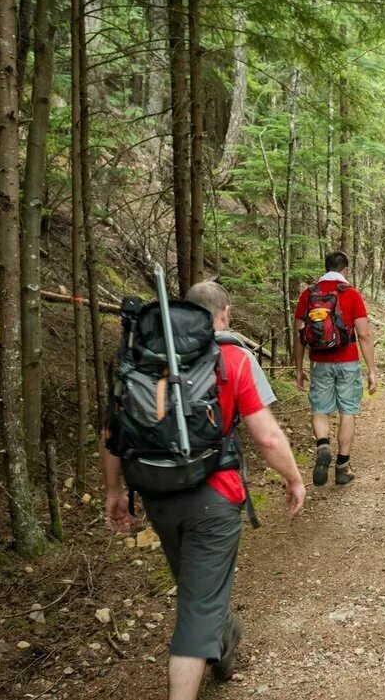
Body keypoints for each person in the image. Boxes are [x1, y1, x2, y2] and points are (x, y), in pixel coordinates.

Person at [101, 280, 306, 700]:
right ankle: (202, 653)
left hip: (156, 493)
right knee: (196, 611)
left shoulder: (139, 357)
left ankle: (222, 637)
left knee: (197, 588)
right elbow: (266, 437)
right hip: (215, 497)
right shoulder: (232, 357)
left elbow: (113, 433)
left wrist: (114, 491)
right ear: (224, 313)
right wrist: (293, 477)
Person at [293, 251, 378, 486]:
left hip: (319, 362)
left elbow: (299, 335)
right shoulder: (351, 294)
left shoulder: (308, 295)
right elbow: (363, 333)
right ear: (345, 270)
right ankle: (342, 467)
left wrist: (298, 367)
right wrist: (371, 368)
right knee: (347, 411)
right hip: (348, 360)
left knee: (320, 408)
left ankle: (322, 445)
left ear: (325, 267)